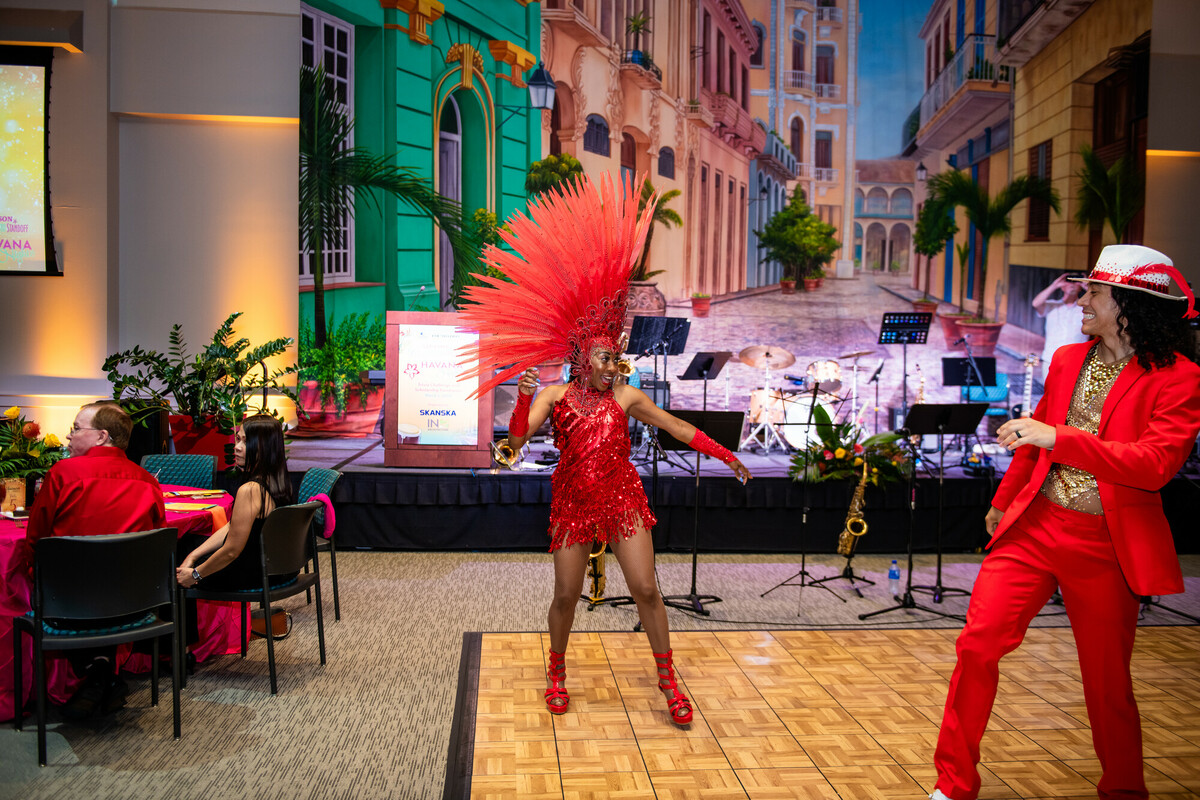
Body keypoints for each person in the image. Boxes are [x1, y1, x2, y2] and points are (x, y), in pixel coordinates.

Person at [457, 174, 751, 726]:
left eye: (614, 354)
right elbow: (515, 444)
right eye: (602, 354)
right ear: (579, 356)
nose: (611, 361)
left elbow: (677, 427)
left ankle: (668, 680)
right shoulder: (553, 393)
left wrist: (726, 454)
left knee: (646, 588)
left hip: (622, 497)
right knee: (566, 596)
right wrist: (521, 404)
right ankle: (557, 669)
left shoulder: (626, 395)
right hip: (571, 500)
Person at [931, 245, 1200, 800]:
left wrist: (1062, 437)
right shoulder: (1067, 360)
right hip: (1036, 527)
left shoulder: (1179, 377)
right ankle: (953, 784)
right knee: (977, 646)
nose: (1082, 299)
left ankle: (1124, 790)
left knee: (1106, 683)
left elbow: (1155, 466)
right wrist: (1004, 502)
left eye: (1094, 292)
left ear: (1129, 304)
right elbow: (1034, 444)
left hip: (1106, 545)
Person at [21, 400, 167, 718]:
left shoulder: (62, 474)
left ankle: (95, 674)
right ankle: (104, 674)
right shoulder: (148, 482)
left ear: (101, 436)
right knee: (104, 586)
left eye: (75, 429)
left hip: (67, 606)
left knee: (63, 584)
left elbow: (36, 542)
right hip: (133, 604)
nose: (69, 436)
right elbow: (156, 544)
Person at [175, 414, 294, 635]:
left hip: (251, 572)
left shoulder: (250, 489)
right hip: (275, 567)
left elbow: (231, 551)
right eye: (237, 440)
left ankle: (181, 644)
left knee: (174, 560)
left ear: (262, 446)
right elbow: (232, 527)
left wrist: (195, 575)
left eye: (243, 441)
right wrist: (193, 556)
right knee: (189, 545)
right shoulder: (279, 481)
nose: (236, 448)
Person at [1031, 271, 1088, 384]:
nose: (1072, 284)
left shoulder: (1085, 309)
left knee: (1071, 395)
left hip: (1076, 361)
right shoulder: (1052, 305)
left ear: (1080, 287)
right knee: (1049, 395)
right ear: (1062, 286)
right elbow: (1036, 304)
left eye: (1076, 282)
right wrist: (1054, 285)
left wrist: (1088, 287)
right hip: (1051, 359)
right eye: (1068, 281)